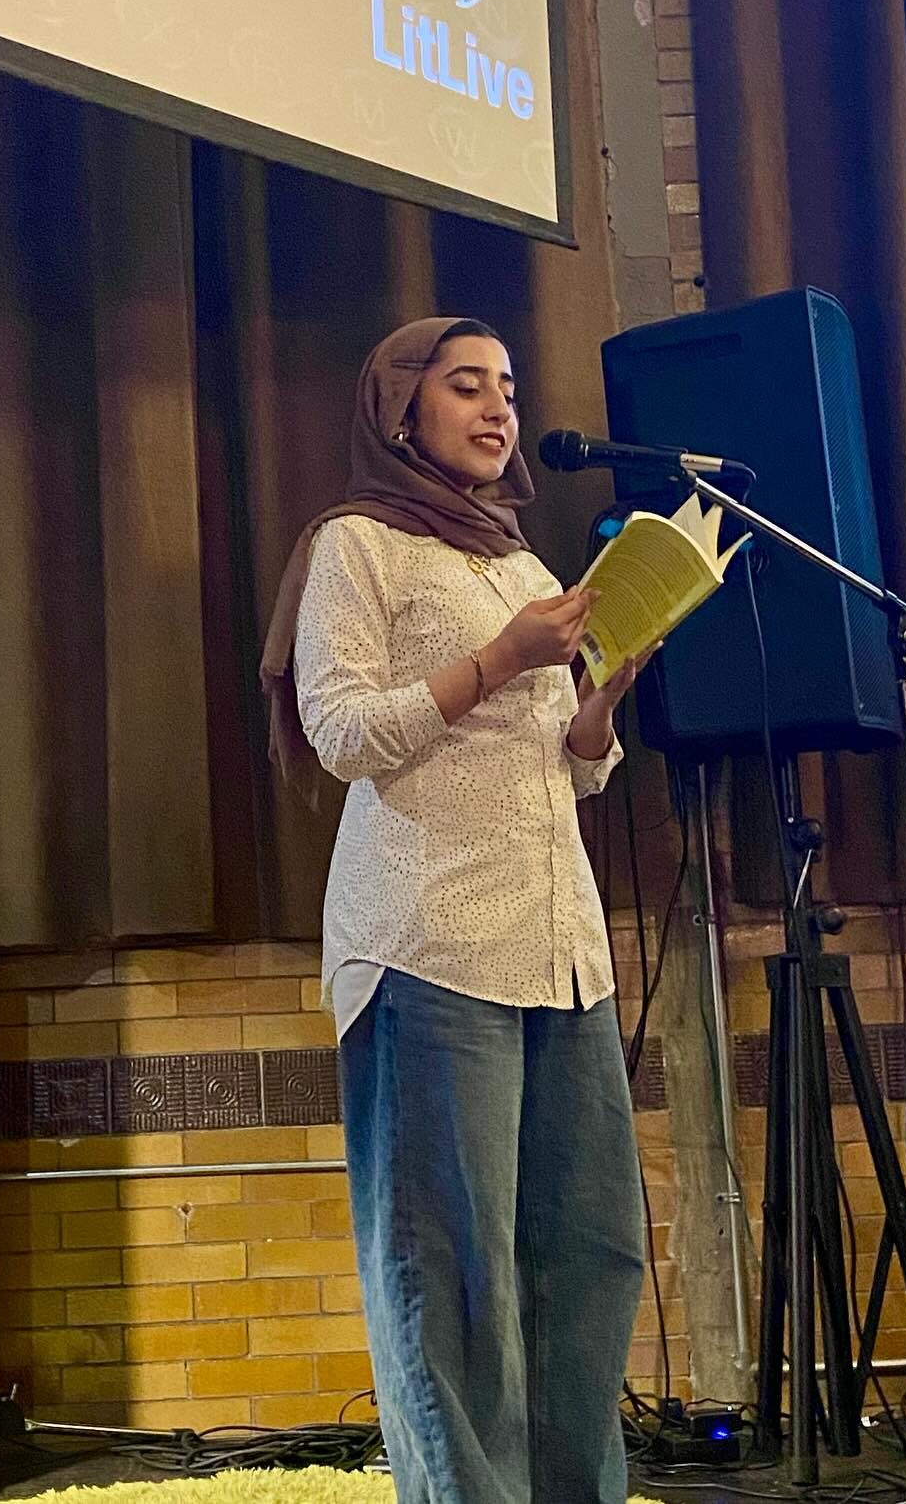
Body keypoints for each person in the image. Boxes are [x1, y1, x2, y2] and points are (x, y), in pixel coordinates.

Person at [260, 316, 647, 1504]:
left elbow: (566, 766)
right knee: (453, 1276)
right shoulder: (357, 545)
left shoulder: (527, 565)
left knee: (592, 1255)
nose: (497, 410)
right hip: (430, 944)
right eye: (466, 386)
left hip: (561, 948)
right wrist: (498, 657)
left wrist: (598, 703)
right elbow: (343, 733)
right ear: (402, 411)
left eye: (509, 389)